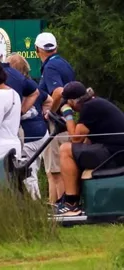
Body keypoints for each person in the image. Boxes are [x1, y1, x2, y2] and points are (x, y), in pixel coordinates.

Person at [54, 82, 124, 217]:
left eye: (68, 103)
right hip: (115, 151)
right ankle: (71, 197)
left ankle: (71, 204)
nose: (71, 108)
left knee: (65, 150)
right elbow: (84, 140)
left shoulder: (90, 107)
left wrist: (67, 114)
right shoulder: (95, 103)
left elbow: (75, 138)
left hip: (115, 153)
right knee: (74, 149)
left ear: (73, 101)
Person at [37, 32, 76, 206]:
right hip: (66, 120)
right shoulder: (64, 63)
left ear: (38, 50)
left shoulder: (50, 67)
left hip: (57, 123)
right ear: (55, 48)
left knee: (55, 170)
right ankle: (61, 204)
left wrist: (51, 112)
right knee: (62, 167)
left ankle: (60, 206)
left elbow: (59, 91)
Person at [7, 53, 47, 199]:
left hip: (28, 135)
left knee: (28, 173)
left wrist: (22, 111)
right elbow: (48, 100)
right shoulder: (32, 85)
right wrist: (45, 115)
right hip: (42, 133)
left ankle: (35, 206)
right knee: (33, 170)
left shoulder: (16, 88)